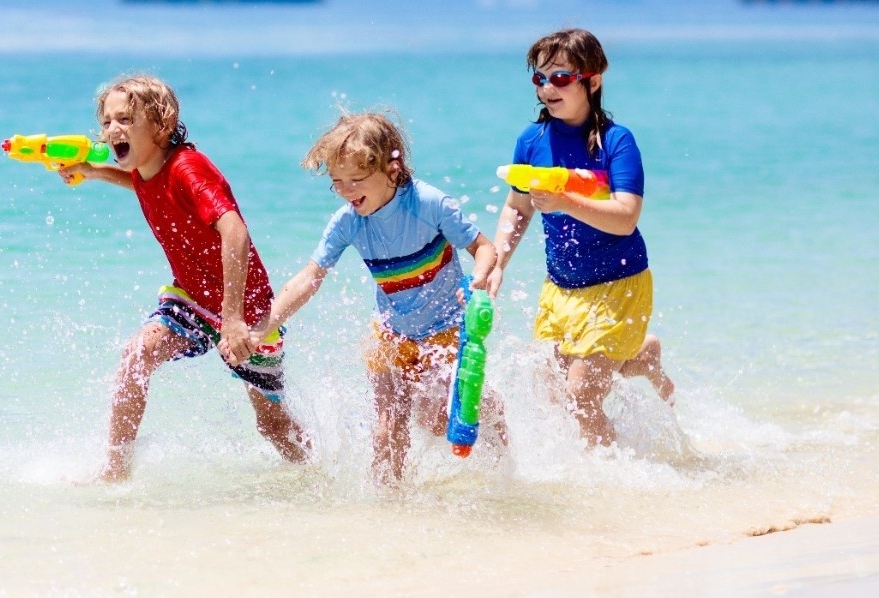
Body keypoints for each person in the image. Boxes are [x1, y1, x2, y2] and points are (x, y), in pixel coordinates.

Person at [60, 74, 310, 482]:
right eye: (106, 122)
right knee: (136, 356)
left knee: (274, 428)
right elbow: (143, 185)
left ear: (161, 125)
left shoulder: (189, 168)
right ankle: (115, 473)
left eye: (124, 119)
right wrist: (93, 171)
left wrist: (233, 319)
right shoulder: (147, 168)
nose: (111, 130)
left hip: (246, 310)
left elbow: (235, 231)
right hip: (190, 300)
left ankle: (321, 473)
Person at [257, 112, 506, 485]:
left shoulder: (429, 204)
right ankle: (387, 508)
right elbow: (309, 278)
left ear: (392, 170)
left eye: (355, 180)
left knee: (446, 418)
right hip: (391, 337)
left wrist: (482, 278)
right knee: (388, 430)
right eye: (336, 182)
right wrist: (263, 326)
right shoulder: (348, 222)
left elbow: (483, 248)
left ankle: (504, 456)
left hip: (447, 334)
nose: (345, 191)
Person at [490, 28, 675, 447]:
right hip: (562, 288)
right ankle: (640, 355)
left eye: (559, 77)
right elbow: (517, 208)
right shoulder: (531, 139)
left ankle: (611, 489)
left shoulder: (616, 141)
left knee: (581, 397)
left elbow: (626, 217)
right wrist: (498, 262)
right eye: (540, 78)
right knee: (552, 388)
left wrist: (564, 200)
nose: (546, 88)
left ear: (593, 81)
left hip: (617, 284)